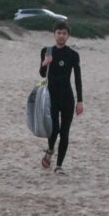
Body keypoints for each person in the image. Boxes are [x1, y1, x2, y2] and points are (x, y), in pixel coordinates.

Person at [39, 21, 83, 175]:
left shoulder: (73, 55)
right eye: (59, 33)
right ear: (54, 34)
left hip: (67, 99)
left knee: (65, 132)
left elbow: (78, 79)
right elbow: (42, 74)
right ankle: (50, 149)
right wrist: (45, 63)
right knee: (54, 129)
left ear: (68, 36)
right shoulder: (47, 51)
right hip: (51, 97)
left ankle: (59, 166)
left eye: (64, 33)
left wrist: (80, 101)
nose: (61, 36)